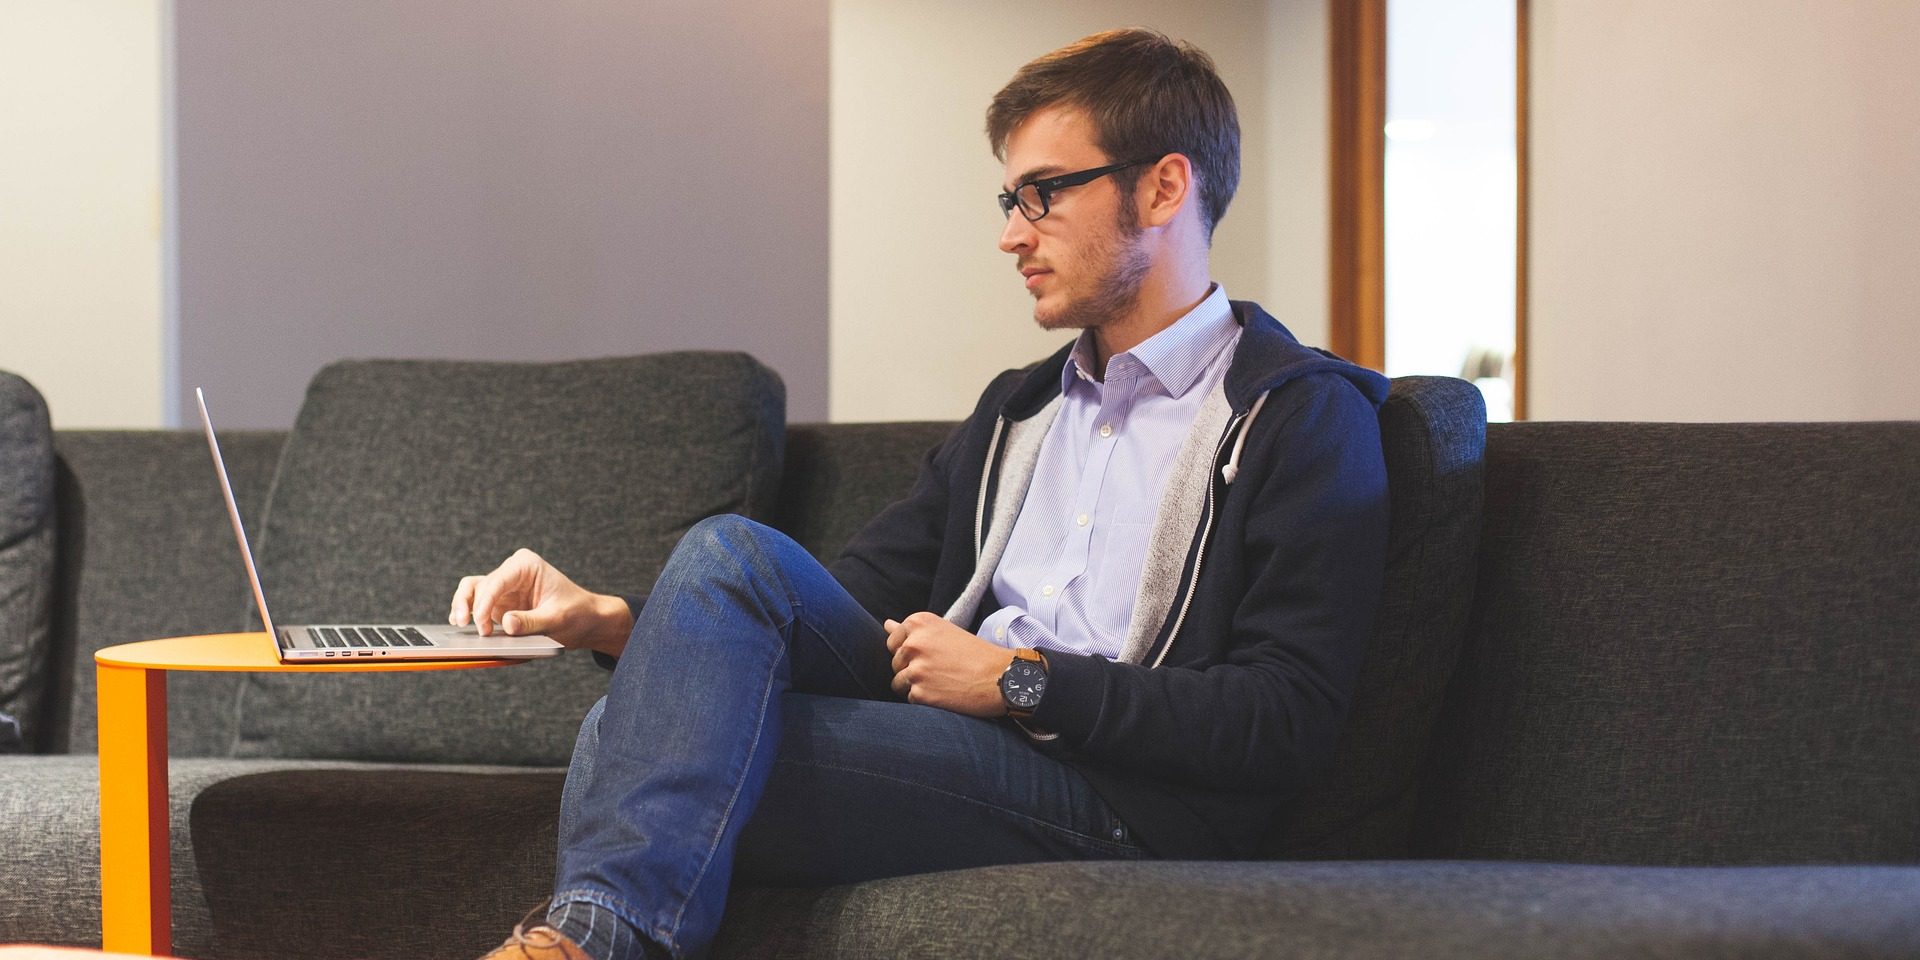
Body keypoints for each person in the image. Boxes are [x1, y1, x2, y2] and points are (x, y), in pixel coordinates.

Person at [457, 28, 1389, 960]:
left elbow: (1285, 719)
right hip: (955, 743)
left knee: (626, 744)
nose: (1012, 232)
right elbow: (843, 603)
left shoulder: (1297, 417)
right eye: (1009, 197)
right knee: (728, 556)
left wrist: (1017, 683)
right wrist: (617, 623)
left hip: (1122, 800)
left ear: (1164, 186)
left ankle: (589, 943)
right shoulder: (1019, 412)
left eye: (1045, 193)